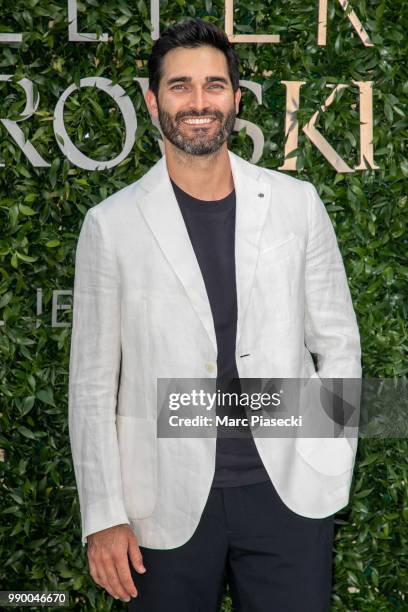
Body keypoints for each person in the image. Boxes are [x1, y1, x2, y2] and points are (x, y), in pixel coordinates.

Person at [68, 17, 361, 612]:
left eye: (213, 85)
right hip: (163, 508)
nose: (198, 102)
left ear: (234, 98)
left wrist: (326, 453)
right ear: (154, 102)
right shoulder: (111, 224)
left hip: (288, 495)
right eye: (180, 87)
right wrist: (103, 515)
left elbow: (338, 342)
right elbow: (93, 384)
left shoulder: (296, 204)